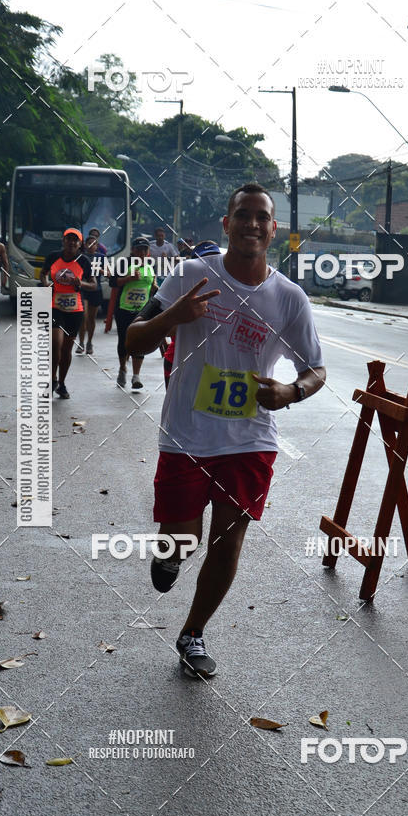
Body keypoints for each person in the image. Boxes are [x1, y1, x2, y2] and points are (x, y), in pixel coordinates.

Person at [126, 183, 326, 678]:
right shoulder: (191, 274)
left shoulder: (289, 298)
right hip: (186, 436)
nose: (252, 224)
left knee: (229, 539)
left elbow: (316, 370)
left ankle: (192, 633)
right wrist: (174, 315)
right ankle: (171, 555)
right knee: (183, 538)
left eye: (262, 217)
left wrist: (289, 392)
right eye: (243, 215)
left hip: (250, 440)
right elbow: (132, 342)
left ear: (273, 229)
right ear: (227, 224)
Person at [40, 228, 96, 399]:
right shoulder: (53, 257)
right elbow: (43, 274)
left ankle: (62, 383)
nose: (72, 242)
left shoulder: (84, 261)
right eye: (68, 239)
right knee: (55, 344)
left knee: (66, 350)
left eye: (75, 240)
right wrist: (46, 283)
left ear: (80, 244)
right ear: (63, 241)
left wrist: (82, 284)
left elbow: (93, 285)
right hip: (54, 306)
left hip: (75, 309)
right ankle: (52, 379)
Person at [162, 241, 221, 390]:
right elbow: (165, 328)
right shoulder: (179, 288)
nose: (210, 265)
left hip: (215, 365)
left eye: (214, 259)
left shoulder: (230, 291)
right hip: (177, 360)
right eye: (204, 261)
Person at [111, 236, 156, 390]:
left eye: (145, 249)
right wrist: (129, 278)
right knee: (124, 340)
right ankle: (123, 368)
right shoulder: (124, 263)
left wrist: (156, 288)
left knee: (140, 340)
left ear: (148, 252)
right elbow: (112, 281)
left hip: (143, 310)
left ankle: (136, 376)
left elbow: (153, 283)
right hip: (124, 309)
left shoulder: (151, 265)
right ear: (133, 250)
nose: (142, 252)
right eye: (139, 249)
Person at [77, 228, 106, 355]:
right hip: (83, 289)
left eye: (94, 244)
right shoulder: (80, 257)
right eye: (89, 243)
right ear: (85, 245)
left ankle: (89, 342)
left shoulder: (101, 258)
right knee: (83, 316)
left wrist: (99, 270)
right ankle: (81, 343)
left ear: (97, 246)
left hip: (96, 289)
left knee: (91, 319)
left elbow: (109, 274)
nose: (91, 246)